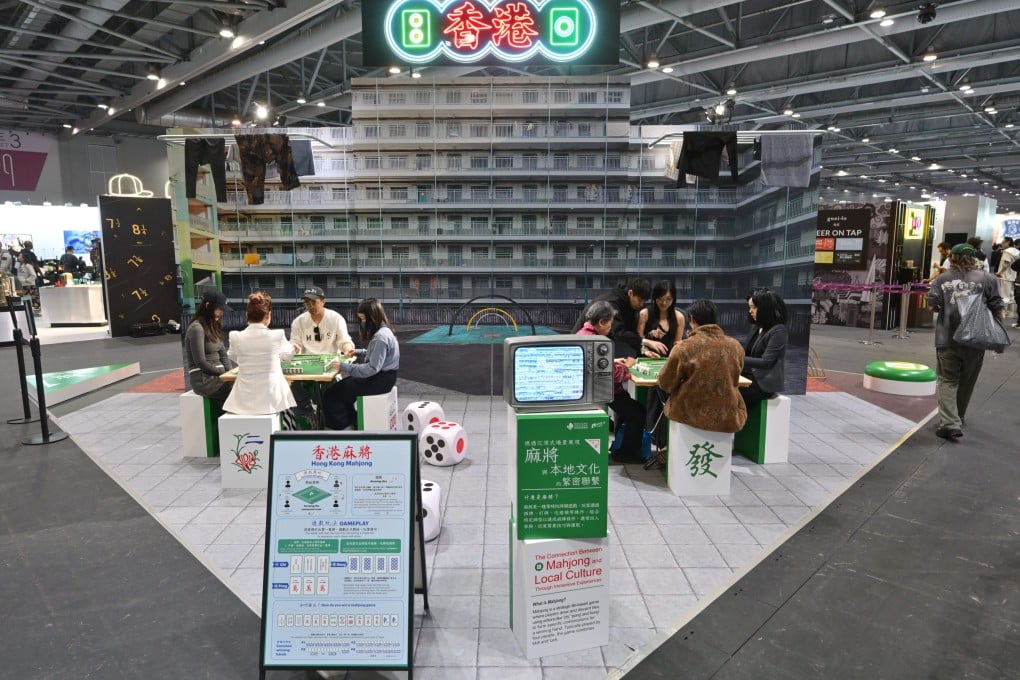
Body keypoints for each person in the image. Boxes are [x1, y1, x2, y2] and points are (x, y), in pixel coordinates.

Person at [926, 242, 1005, 440]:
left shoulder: (942, 279)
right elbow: (998, 307)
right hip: (977, 339)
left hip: (947, 338)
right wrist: (997, 335)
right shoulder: (988, 279)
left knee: (947, 380)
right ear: (975, 258)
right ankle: (958, 417)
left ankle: (950, 423)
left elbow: (932, 306)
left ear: (951, 258)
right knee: (967, 380)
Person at [657, 299, 746, 433]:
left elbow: (665, 383)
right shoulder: (736, 346)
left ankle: (663, 442)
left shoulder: (683, 348)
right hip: (728, 415)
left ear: (692, 319)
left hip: (688, 413)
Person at [576, 300, 646, 463]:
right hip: (602, 390)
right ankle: (625, 453)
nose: (611, 328)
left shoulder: (584, 333)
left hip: (591, 388)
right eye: (610, 324)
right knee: (638, 413)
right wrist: (627, 366)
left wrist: (613, 361)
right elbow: (609, 374)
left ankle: (621, 445)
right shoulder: (596, 341)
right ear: (601, 322)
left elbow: (598, 365)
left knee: (629, 406)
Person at [322, 298, 400, 430]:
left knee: (332, 394)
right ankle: (352, 420)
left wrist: (344, 367)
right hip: (385, 378)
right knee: (343, 387)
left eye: (363, 319)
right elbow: (380, 356)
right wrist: (359, 352)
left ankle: (341, 427)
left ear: (372, 317)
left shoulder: (380, 337)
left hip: (379, 381)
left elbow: (372, 368)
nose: (363, 323)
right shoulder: (385, 331)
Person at [222, 291, 296, 416]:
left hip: (243, 399)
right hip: (273, 399)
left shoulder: (235, 336)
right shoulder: (277, 335)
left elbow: (234, 356)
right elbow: (287, 356)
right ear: (268, 315)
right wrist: (294, 349)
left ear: (247, 315)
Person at [288, 286, 356, 415]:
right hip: (306, 365)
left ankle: (329, 415)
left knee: (332, 392)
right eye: (307, 303)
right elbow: (295, 342)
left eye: (314, 302)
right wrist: (294, 347)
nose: (310, 306)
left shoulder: (335, 318)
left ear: (323, 301)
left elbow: (344, 340)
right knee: (291, 384)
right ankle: (306, 412)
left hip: (329, 364)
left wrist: (348, 349)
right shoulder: (299, 321)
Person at [573, 277, 667, 358]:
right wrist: (646, 342)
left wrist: (644, 349)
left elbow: (629, 332)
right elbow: (617, 331)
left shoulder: (628, 305)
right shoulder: (612, 303)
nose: (641, 304)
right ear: (630, 293)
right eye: (639, 300)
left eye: (644, 301)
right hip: (580, 344)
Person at [741, 288, 789, 413]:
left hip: (762, 383)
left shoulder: (779, 331)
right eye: (750, 307)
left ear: (765, 309)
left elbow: (766, 362)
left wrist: (737, 357)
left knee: (732, 397)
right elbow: (746, 351)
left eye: (754, 307)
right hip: (749, 376)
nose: (750, 311)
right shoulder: (757, 327)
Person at [184, 290, 235, 405]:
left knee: (243, 383)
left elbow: (223, 355)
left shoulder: (214, 326)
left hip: (218, 375)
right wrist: (224, 374)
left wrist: (230, 372)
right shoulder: (196, 328)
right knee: (237, 388)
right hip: (203, 379)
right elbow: (201, 363)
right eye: (220, 310)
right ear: (207, 306)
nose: (222, 313)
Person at [636, 279, 686, 358]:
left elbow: (677, 346)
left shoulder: (679, 317)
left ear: (673, 299)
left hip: (668, 361)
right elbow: (638, 339)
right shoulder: (644, 314)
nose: (664, 303)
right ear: (655, 297)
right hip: (645, 359)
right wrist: (646, 351)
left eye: (668, 299)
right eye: (660, 298)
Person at [994, 236, 1019, 320]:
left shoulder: (1007, 252)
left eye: (1003, 242)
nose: (1001, 244)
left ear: (1008, 242)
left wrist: (999, 272)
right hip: (1013, 275)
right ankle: (1011, 312)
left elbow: (1006, 263)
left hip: (1005, 275)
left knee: (1004, 295)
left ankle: (1002, 314)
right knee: (1011, 294)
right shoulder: (1016, 251)